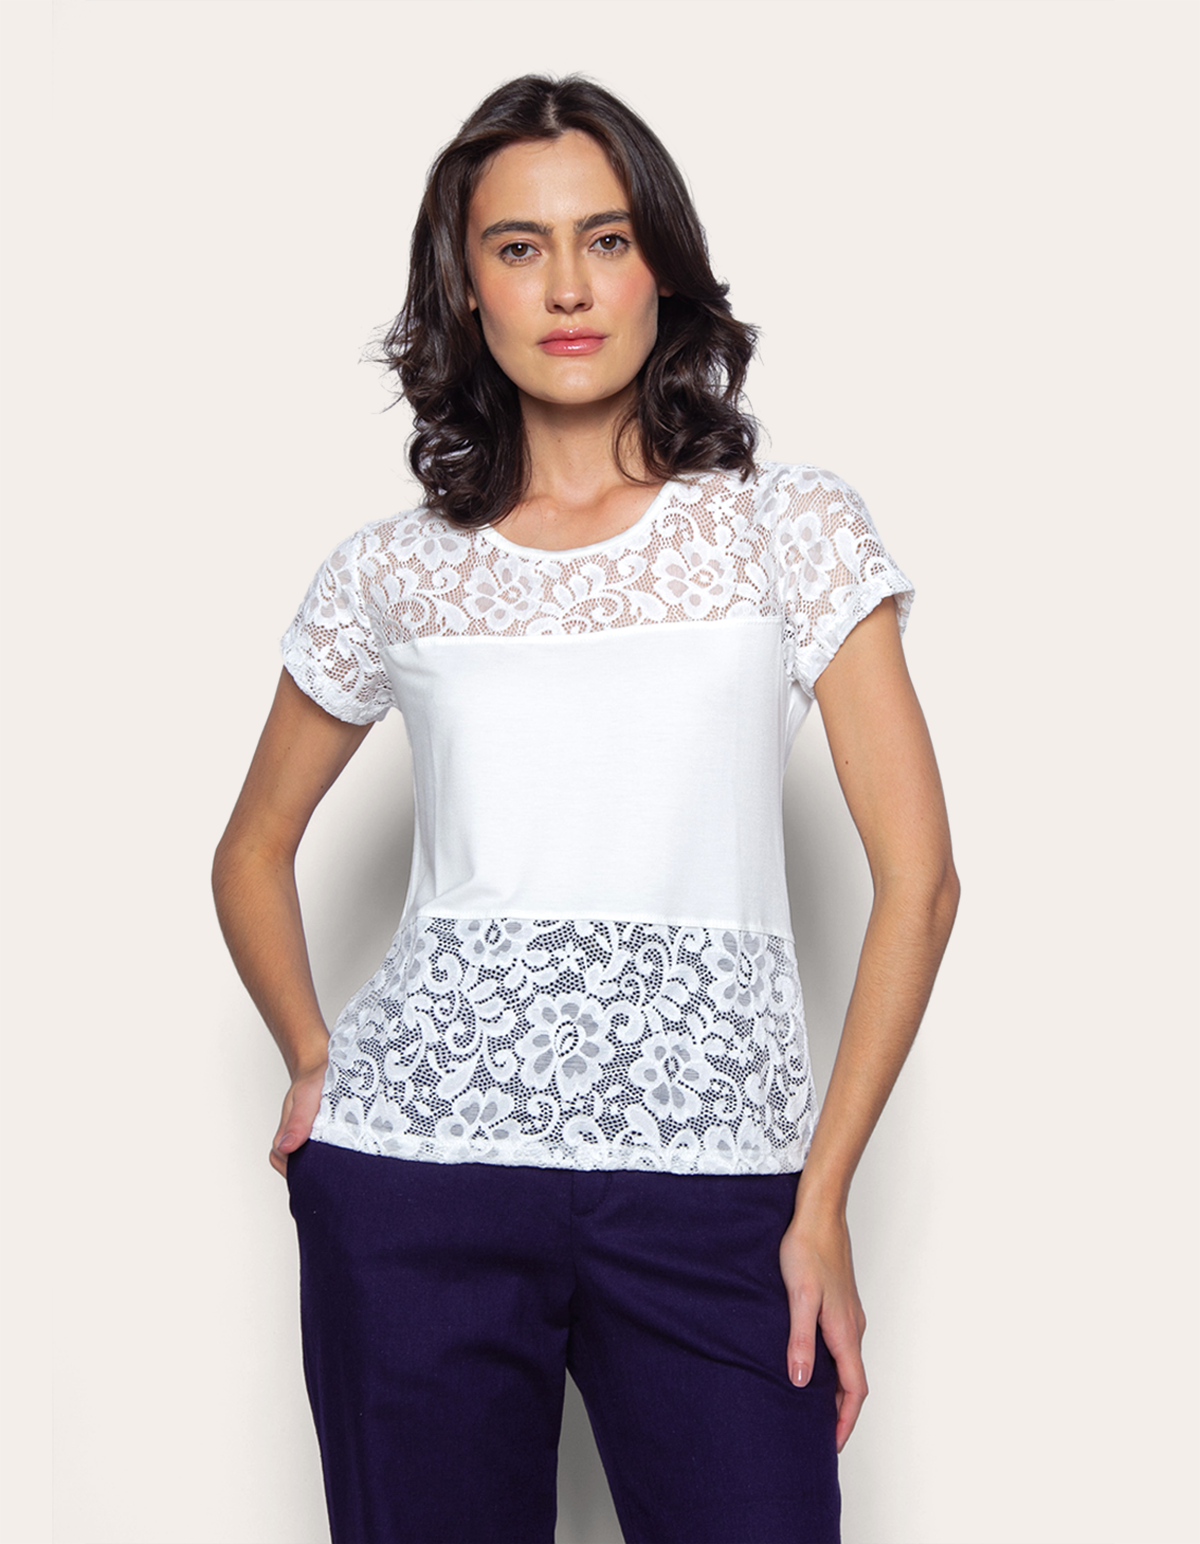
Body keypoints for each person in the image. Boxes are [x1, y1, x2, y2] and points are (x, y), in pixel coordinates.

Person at [213, 73, 959, 1544]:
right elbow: (251, 850)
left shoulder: (787, 527)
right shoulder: (394, 570)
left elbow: (919, 881)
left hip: (718, 1198)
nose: (567, 286)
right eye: (519, 246)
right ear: (465, 287)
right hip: (416, 1185)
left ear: (660, 267)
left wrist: (819, 1203)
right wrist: (311, 1057)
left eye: (605, 239)